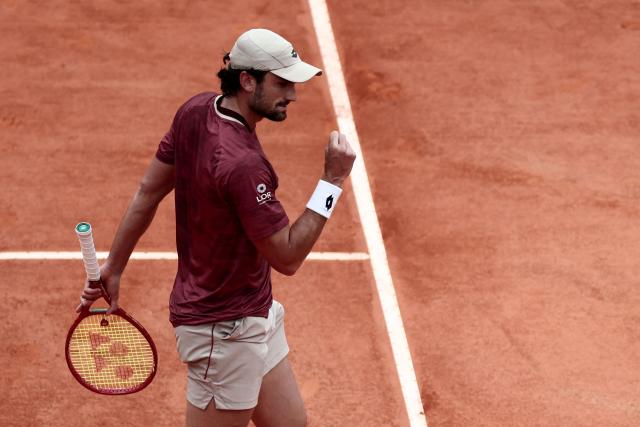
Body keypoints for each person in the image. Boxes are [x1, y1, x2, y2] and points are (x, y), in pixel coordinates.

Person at [77, 28, 356, 427]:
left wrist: (114, 266)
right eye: (282, 83)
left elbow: (147, 192)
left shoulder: (196, 111)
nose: (292, 95)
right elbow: (288, 257)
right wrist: (332, 182)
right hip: (222, 331)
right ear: (247, 80)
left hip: (254, 311)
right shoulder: (242, 165)